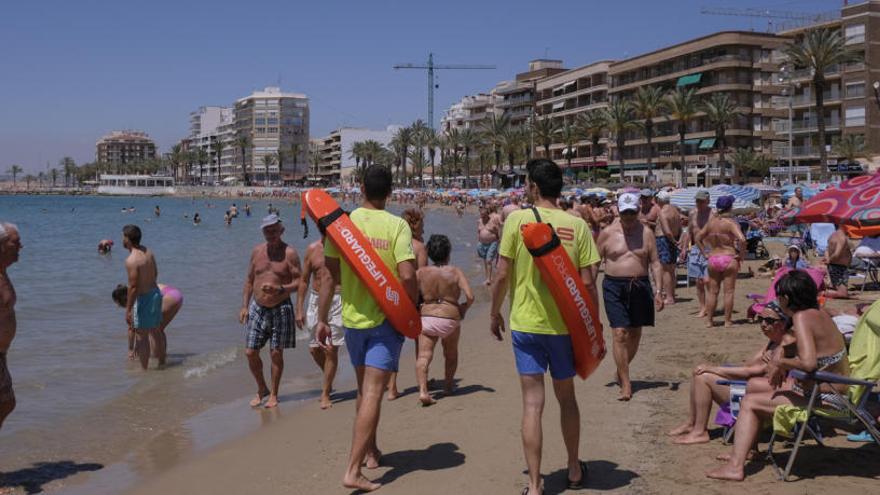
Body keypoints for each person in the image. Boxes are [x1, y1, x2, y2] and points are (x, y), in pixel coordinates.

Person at [490, 159, 599, 495]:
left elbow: (502, 274)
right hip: (566, 328)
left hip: (526, 326)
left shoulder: (517, 220)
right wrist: (592, 328)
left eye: (526, 183)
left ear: (534, 187)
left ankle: (535, 485)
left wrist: (494, 313)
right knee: (567, 398)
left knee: (532, 405)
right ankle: (574, 469)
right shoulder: (576, 225)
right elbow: (589, 282)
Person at [315, 165, 417, 492]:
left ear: (360, 188)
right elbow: (407, 275)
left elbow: (329, 277)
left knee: (364, 392)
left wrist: (320, 318)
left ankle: (371, 451)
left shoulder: (343, 226)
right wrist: (409, 311)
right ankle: (353, 469)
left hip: (353, 319)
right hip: (386, 321)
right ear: (390, 192)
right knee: (374, 393)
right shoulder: (397, 225)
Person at [708, 271, 849, 481]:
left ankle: (735, 467)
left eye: (779, 296)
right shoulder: (818, 313)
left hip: (827, 396)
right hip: (828, 388)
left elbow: (809, 363)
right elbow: (814, 351)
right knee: (755, 385)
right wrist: (783, 355)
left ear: (786, 298)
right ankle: (748, 450)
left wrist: (779, 361)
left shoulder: (801, 317)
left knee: (750, 402)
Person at [668, 301, 795, 444]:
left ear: (783, 323)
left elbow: (750, 371)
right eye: (761, 319)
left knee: (702, 376)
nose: (763, 324)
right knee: (699, 372)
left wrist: (713, 368)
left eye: (769, 320)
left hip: (765, 396)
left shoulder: (786, 344)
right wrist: (763, 355)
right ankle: (692, 423)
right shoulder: (774, 341)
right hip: (757, 388)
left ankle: (699, 432)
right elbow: (750, 364)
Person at [597, 192, 665, 401]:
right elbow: (593, 262)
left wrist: (659, 291)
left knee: (635, 333)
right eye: (624, 213)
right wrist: (587, 289)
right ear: (618, 210)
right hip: (613, 286)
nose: (628, 217)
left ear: (638, 211)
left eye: (632, 213)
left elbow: (654, 262)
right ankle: (626, 384)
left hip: (640, 285)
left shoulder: (646, 233)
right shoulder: (607, 233)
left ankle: (621, 369)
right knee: (620, 333)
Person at [239, 214, 302, 409]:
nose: (271, 234)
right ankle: (262, 388)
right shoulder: (257, 251)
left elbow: (301, 281)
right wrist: (244, 306)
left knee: (276, 353)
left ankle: (274, 393)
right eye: (267, 231)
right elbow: (250, 280)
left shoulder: (289, 253)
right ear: (263, 232)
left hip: (281, 307)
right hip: (257, 307)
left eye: (274, 230)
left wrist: (281, 289)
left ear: (281, 231)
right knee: (250, 352)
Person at [415, 234, 474, 406]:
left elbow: (411, 296)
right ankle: (448, 387)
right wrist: (463, 308)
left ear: (430, 253)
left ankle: (423, 391)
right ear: (448, 252)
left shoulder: (421, 273)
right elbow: (470, 296)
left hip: (427, 317)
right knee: (450, 354)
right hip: (450, 317)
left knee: (424, 355)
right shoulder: (455, 272)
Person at [295, 225, 343, 410]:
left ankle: (325, 392)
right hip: (315, 300)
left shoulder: (344, 250)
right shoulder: (313, 249)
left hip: (338, 297)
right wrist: (299, 308)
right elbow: (304, 280)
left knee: (331, 349)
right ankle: (328, 377)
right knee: (315, 350)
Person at [385, 208, 430, 401]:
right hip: (416, 297)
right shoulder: (419, 247)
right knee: (420, 343)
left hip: (395, 297)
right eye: (422, 224)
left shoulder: (396, 242)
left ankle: (392, 388)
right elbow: (422, 275)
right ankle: (422, 383)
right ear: (416, 225)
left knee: (395, 344)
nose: (424, 227)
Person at [696, 195, 746, 328]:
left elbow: (697, 237)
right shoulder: (730, 223)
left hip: (713, 258)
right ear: (730, 207)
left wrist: (705, 253)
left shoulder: (711, 222)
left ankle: (709, 321)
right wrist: (741, 255)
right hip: (728, 257)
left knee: (713, 292)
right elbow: (742, 239)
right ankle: (727, 321)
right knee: (728, 292)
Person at [121, 225, 162, 370]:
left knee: (142, 336)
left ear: (128, 239)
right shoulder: (148, 252)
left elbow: (133, 287)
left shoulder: (131, 260)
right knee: (156, 330)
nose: (122, 239)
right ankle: (161, 363)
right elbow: (156, 272)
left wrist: (128, 310)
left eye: (123, 236)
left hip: (144, 298)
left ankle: (145, 372)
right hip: (156, 293)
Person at [112, 283, 183, 366]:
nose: (119, 306)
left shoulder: (135, 299)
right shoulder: (137, 289)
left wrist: (131, 349)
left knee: (152, 331)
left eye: (119, 304)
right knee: (158, 329)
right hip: (175, 294)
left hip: (168, 297)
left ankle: (159, 359)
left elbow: (132, 328)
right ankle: (162, 356)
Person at [0, 223, 21, 429]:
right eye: (16, 242)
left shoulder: (2, 271)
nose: (20, 247)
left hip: (2, 353)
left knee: (7, 403)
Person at [680, 190, 713, 317]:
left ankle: (711, 306)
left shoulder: (713, 213)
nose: (698, 203)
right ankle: (703, 307)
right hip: (695, 250)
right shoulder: (692, 213)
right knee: (698, 281)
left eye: (701, 201)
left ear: (708, 201)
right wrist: (684, 247)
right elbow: (689, 232)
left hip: (709, 249)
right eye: (697, 200)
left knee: (708, 281)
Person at [655, 191, 682, 304]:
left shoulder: (662, 212)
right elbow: (680, 228)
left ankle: (669, 297)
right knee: (671, 269)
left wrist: (673, 241)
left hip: (664, 240)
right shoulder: (675, 210)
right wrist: (677, 241)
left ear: (659, 200)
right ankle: (671, 294)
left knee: (665, 269)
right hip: (672, 239)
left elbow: (667, 231)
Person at [824, 224, 852, 299]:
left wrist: (828, 259)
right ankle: (822, 293)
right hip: (839, 267)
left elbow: (827, 249)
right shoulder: (841, 237)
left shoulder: (832, 235)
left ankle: (828, 291)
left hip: (837, 266)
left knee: (840, 290)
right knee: (843, 294)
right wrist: (829, 260)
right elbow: (837, 254)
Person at [477, 206, 502, 286]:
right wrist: (479, 241)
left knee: (488, 260)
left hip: (492, 243)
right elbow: (478, 231)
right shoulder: (479, 221)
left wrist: (499, 241)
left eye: (484, 215)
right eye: (481, 215)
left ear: (488, 215)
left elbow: (498, 232)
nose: (483, 217)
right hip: (482, 243)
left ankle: (488, 279)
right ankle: (487, 277)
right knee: (485, 260)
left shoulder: (492, 221)